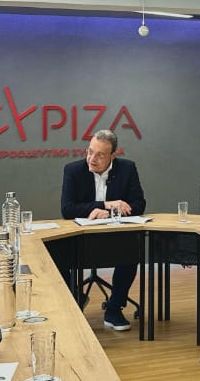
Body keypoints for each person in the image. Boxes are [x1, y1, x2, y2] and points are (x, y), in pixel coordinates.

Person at [60, 130, 147, 331]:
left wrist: (112, 212)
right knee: (56, 250)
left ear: (112, 156)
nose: (92, 159)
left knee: (132, 249)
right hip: (81, 238)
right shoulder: (73, 170)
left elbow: (139, 204)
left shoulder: (127, 169)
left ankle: (114, 308)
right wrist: (103, 205)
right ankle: (75, 296)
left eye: (100, 155)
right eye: (90, 151)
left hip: (115, 236)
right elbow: (67, 209)